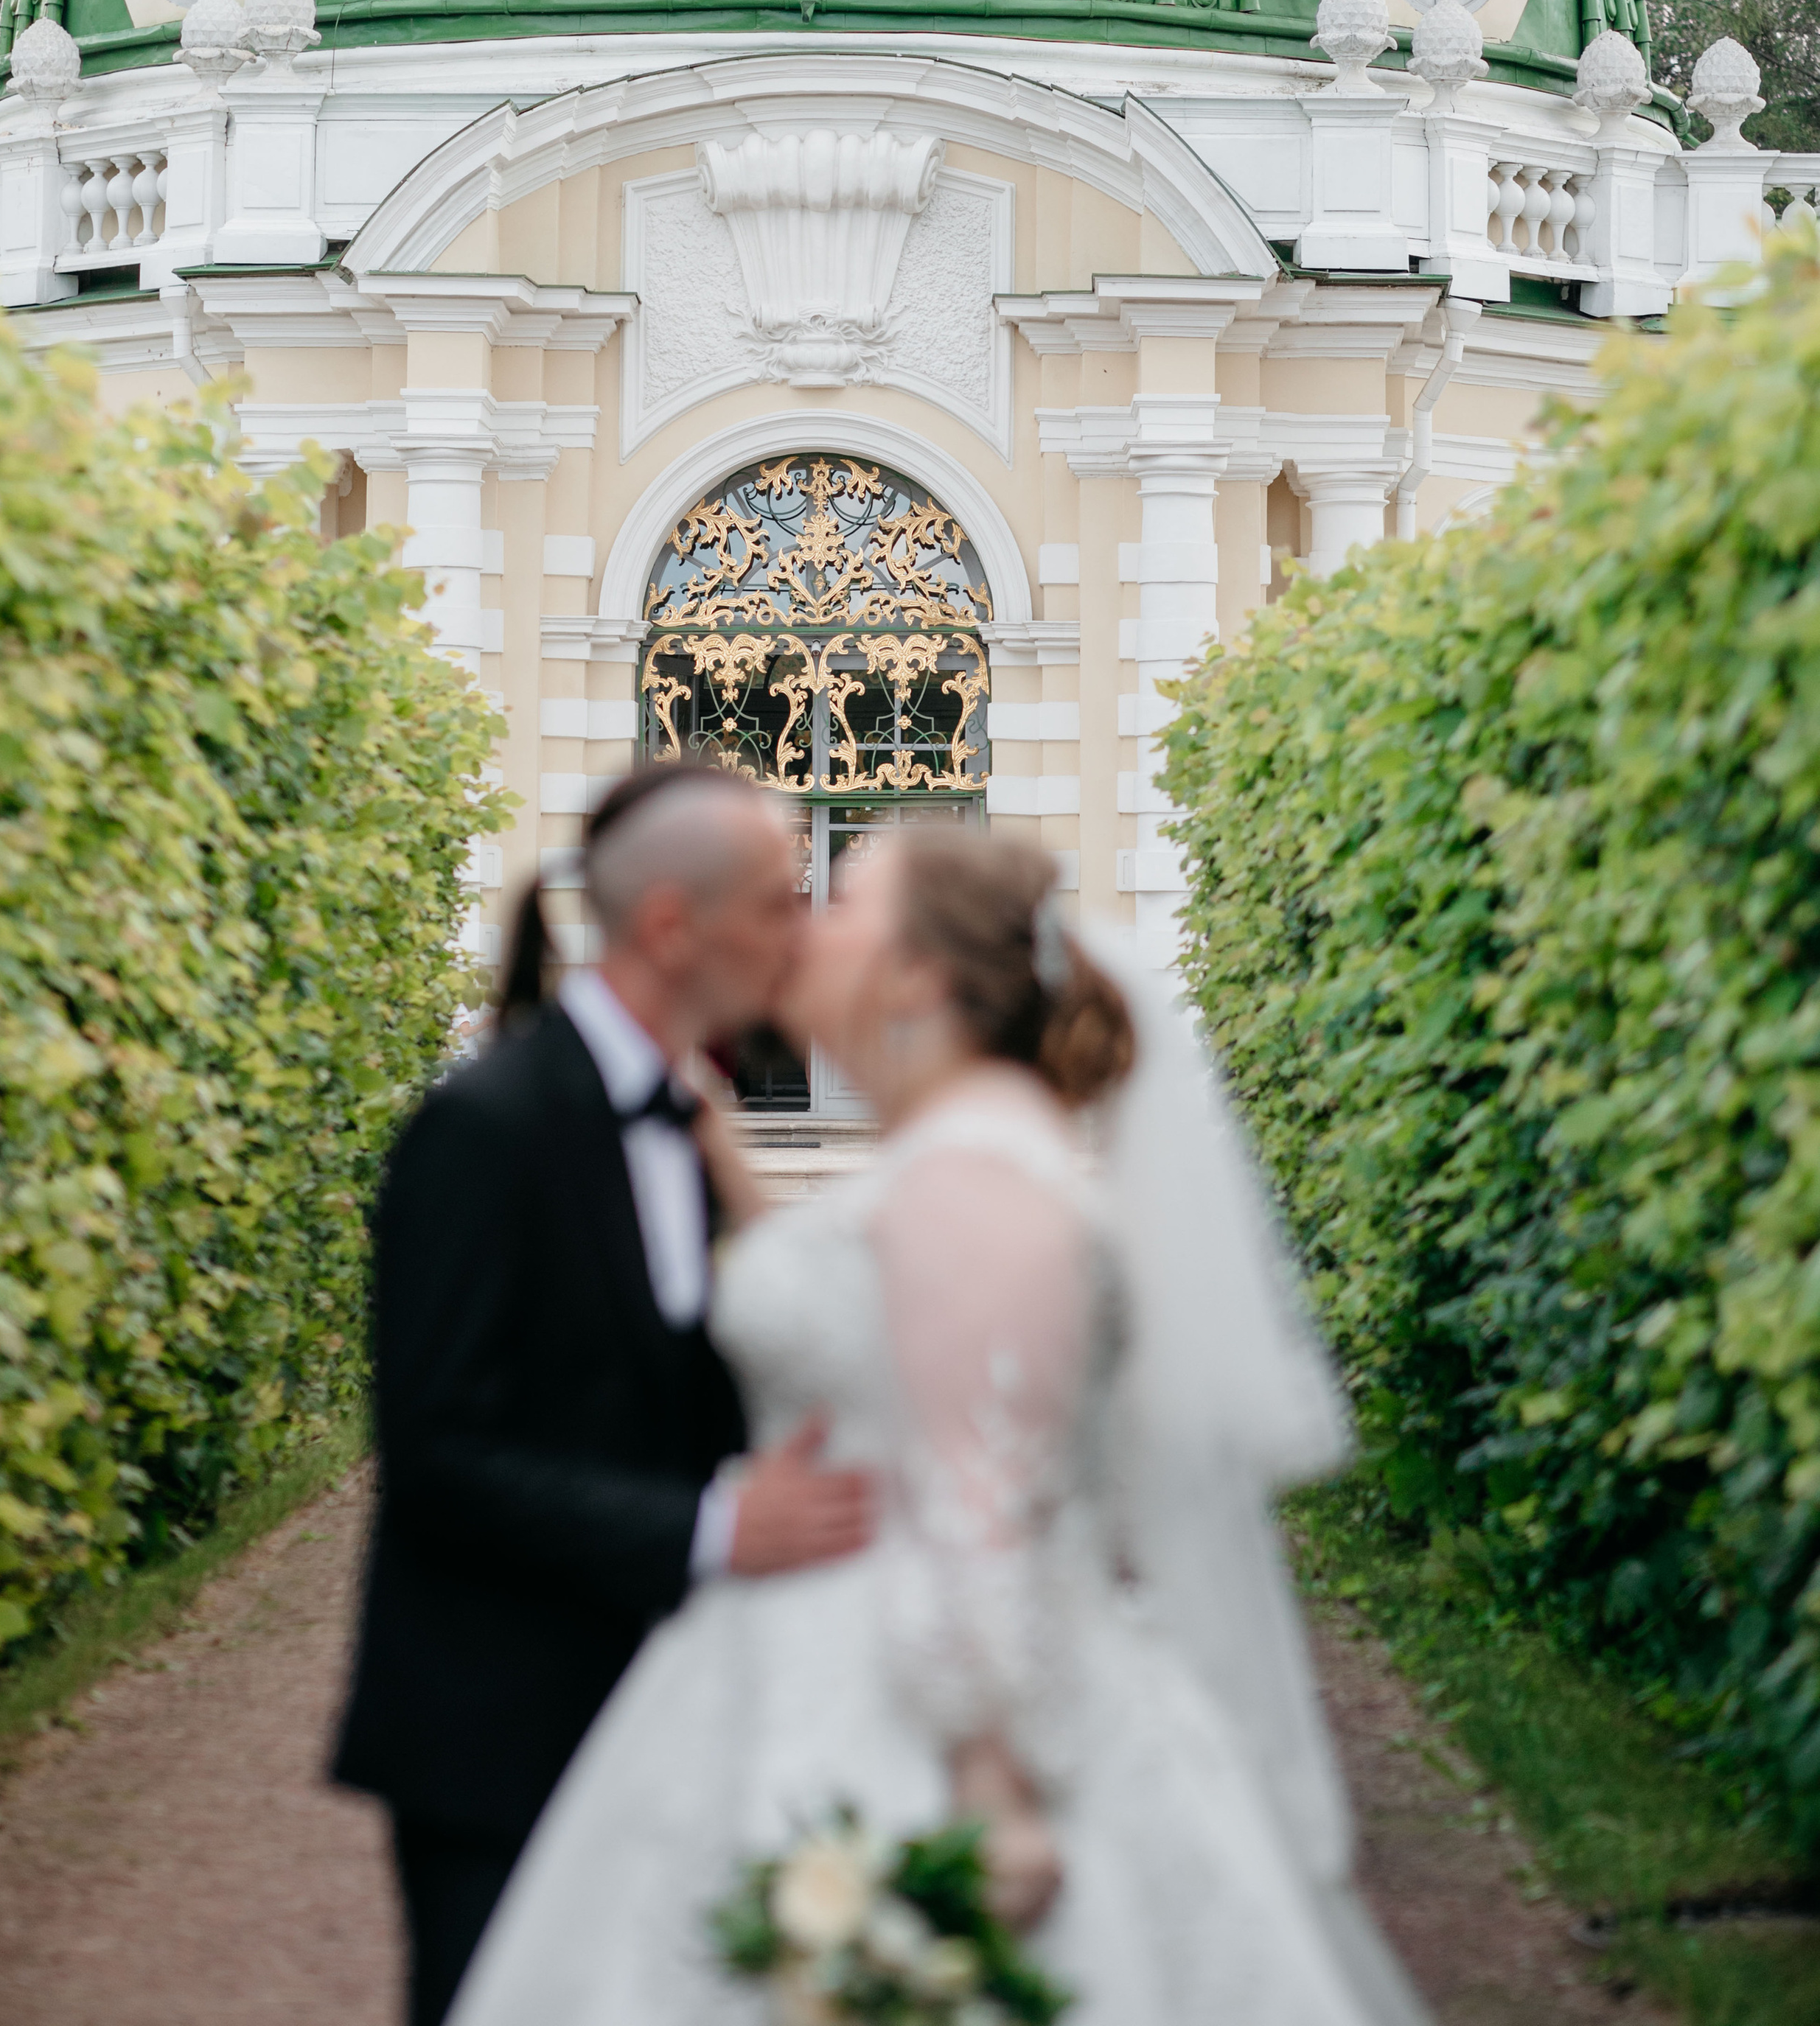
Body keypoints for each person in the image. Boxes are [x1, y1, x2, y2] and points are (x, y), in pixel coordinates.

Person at [447, 828, 1428, 2026]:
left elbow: (982, 1497)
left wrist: (987, 1790)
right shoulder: (964, 1154)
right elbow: (886, 1355)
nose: (807, 921)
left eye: (846, 900)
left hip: (914, 1709)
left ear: (919, 974)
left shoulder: (980, 1176)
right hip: (812, 1650)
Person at [332, 763, 876, 2026]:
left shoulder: (688, 1117)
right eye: (776, 904)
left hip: (659, 1700)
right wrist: (713, 1530)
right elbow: (438, 1450)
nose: (799, 934)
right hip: (495, 1724)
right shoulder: (485, 1127)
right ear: (674, 925)